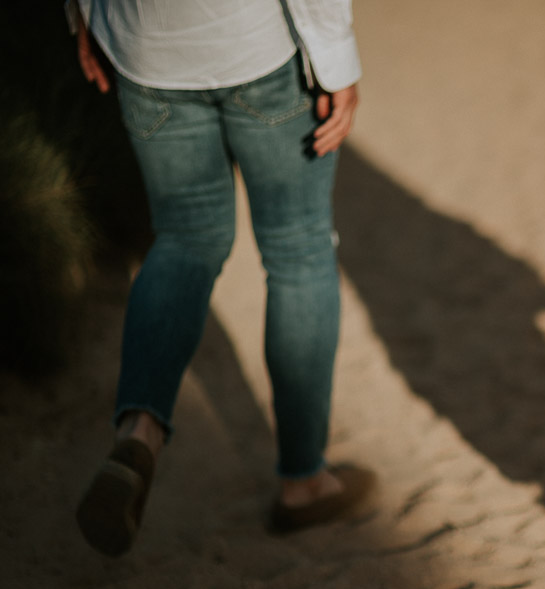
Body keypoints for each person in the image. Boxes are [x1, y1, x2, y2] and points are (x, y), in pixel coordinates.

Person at [72, 0, 375, 557]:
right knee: (298, 249)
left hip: (146, 50)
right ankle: (304, 482)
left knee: (185, 238)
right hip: (257, 45)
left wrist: (85, 16)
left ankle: (138, 434)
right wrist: (336, 59)